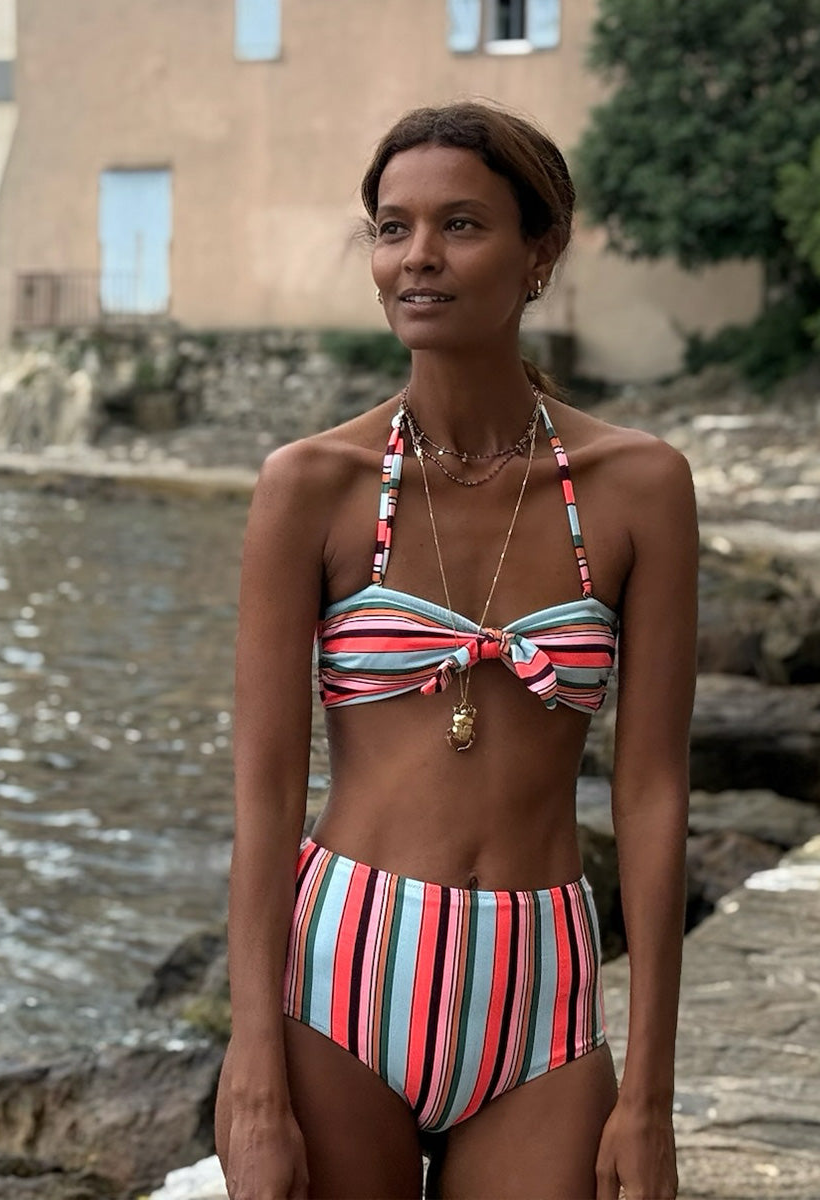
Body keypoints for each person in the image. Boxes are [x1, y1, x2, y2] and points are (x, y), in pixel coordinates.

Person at [215, 101, 695, 1200]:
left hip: (544, 1000)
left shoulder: (640, 489)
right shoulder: (312, 487)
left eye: (462, 225)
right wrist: (251, 1072)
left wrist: (649, 1096)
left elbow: (656, 791)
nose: (417, 258)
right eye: (392, 228)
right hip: (341, 983)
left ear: (542, 252)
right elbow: (263, 793)